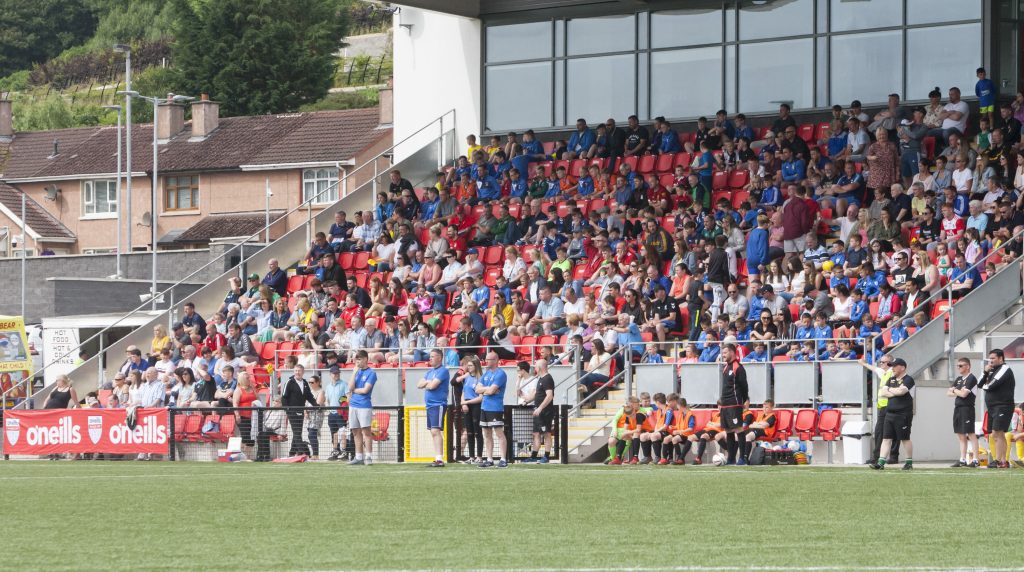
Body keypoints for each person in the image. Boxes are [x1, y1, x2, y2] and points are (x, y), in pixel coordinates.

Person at [871, 358, 915, 471]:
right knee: (886, 438)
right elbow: (883, 392)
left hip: (903, 414)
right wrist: (895, 391)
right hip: (890, 413)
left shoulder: (908, 379)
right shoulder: (891, 379)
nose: (892, 368)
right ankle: (881, 462)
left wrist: (891, 390)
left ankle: (909, 462)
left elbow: (902, 391)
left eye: (894, 366)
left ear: (902, 367)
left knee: (905, 438)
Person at [978, 348, 1016, 469]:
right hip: (993, 407)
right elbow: (979, 384)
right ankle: (1003, 461)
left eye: (993, 358)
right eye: (990, 358)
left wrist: (986, 384)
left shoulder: (1005, 369)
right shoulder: (991, 370)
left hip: (1003, 406)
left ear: (1000, 358)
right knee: (998, 434)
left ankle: (998, 460)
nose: (991, 361)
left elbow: (990, 386)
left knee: (996, 433)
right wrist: (985, 372)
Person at [418, 348, 451, 467]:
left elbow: (432, 386)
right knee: (433, 431)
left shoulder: (443, 371)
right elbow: (419, 385)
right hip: (430, 405)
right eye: (430, 356)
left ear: (439, 357)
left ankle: (439, 459)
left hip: (438, 404)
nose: (430, 358)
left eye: (432, 356)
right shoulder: (429, 372)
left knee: (435, 431)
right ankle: (437, 458)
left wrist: (427, 383)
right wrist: (429, 382)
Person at [475, 351, 509, 467]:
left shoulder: (501, 374)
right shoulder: (486, 374)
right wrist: (488, 389)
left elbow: (491, 391)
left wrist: (486, 390)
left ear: (495, 360)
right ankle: (489, 459)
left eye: (488, 359)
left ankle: (503, 459)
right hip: (484, 407)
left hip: (495, 407)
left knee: (499, 432)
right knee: (486, 433)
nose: (486, 361)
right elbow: (477, 389)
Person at [719, 343, 748, 465]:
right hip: (725, 404)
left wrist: (745, 399)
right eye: (722, 353)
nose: (723, 355)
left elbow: (744, 385)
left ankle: (742, 458)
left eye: (725, 352)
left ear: (732, 352)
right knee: (728, 431)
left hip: (734, 403)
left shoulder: (738, 367)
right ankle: (731, 458)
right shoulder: (725, 367)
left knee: (738, 429)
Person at [947, 357, 980, 468]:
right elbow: (948, 393)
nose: (958, 367)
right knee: (960, 434)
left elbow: (963, 394)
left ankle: (976, 459)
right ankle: (962, 459)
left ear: (968, 366)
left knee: (970, 433)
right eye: (957, 365)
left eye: (961, 365)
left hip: (967, 409)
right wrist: (957, 391)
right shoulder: (959, 379)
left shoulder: (971, 378)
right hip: (958, 408)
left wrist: (955, 390)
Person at [522, 358, 556, 463]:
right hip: (538, 411)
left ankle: (546, 456)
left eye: (536, 366)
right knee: (536, 433)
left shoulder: (547, 379)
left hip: (545, 412)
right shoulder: (540, 379)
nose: (535, 368)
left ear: (540, 367)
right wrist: (527, 401)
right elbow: (537, 394)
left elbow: (549, 396)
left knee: (546, 433)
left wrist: (540, 408)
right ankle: (533, 456)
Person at [347, 350, 377, 465]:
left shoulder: (371, 373)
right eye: (356, 360)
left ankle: (368, 456)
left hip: (364, 405)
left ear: (365, 359)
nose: (357, 362)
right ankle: (359, 456)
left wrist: (354, 390)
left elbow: (365, 390)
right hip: (353, 405)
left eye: (359, 359)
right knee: (355, 431)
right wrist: (354, 373)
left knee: (366, 432)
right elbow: (350, 387)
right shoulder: (357, 372)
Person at [281, 364, 317, 457]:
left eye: (299, 371)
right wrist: (287, 410)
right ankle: (302, 452)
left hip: (301, 410)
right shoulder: (289, 382)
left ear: (303, 372)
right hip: (292, 411)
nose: (297, 372)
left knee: (297, 432)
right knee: (297, 432)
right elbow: (284, 397)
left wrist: (315, 404)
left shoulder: (305, 383)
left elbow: (309, 396)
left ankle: (292, 452)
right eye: (296, 370)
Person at [457, 355, 485, 463]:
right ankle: (471, 456)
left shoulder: (480, 378)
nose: (468, 367)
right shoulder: (467, 377)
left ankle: (479, 456)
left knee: (477, 432)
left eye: (470, 365)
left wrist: (466, 402)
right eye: (468, 365)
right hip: (467, 405)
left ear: (476, 366)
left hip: (476, 406)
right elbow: (463, 392)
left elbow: (480, 398)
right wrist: (463, 403)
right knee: (469, 432)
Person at [324, 365, 350, 461]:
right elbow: (327, 400)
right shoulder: (328, 386)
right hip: (332, 413)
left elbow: (348, 397)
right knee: (334, 432)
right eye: (334, 373)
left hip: (341, 413)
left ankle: (344, 451)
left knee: (343, 432)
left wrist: (341, 402)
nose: (336, 375)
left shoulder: (344, 384)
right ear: (330, 374)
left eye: (338, 373)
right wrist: (328, 408)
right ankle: (336, 450)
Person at [607, 396, 642, 465]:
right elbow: (615, 419)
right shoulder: (623, 409)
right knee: (611, 441)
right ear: (632, 404)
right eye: (637, 404)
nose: (638, 405)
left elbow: (647, 412)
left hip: (630, 431)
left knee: (627, 439)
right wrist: (614, 430)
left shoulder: (640, 410)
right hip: (619, 430)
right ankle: (613, 458)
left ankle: (620, 456)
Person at [742, 399, 777, 464]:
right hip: (757, 430)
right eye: (763, 407)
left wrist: (757, 424)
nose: (764, 409)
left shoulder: (772, 416)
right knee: (740, 435)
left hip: (766, 432)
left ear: (772, 408)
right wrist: (759, 424)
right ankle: (741, 457)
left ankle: (745, 458)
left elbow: (764, 426)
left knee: (748, 437)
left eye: (767, 407)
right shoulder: (761, 415)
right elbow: (751, 425)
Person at [255, 398, 286, 462]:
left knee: (264, 434)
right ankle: (260, 456)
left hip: (275, 430)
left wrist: (281, 434)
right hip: (267, 429)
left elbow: (283, 424)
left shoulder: (282, 412)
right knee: (260, 435)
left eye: (277, 401)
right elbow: (264, 421)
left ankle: (266, 456)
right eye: (274, 401)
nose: (275, 402)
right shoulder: (270, 410)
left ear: (281, 403)